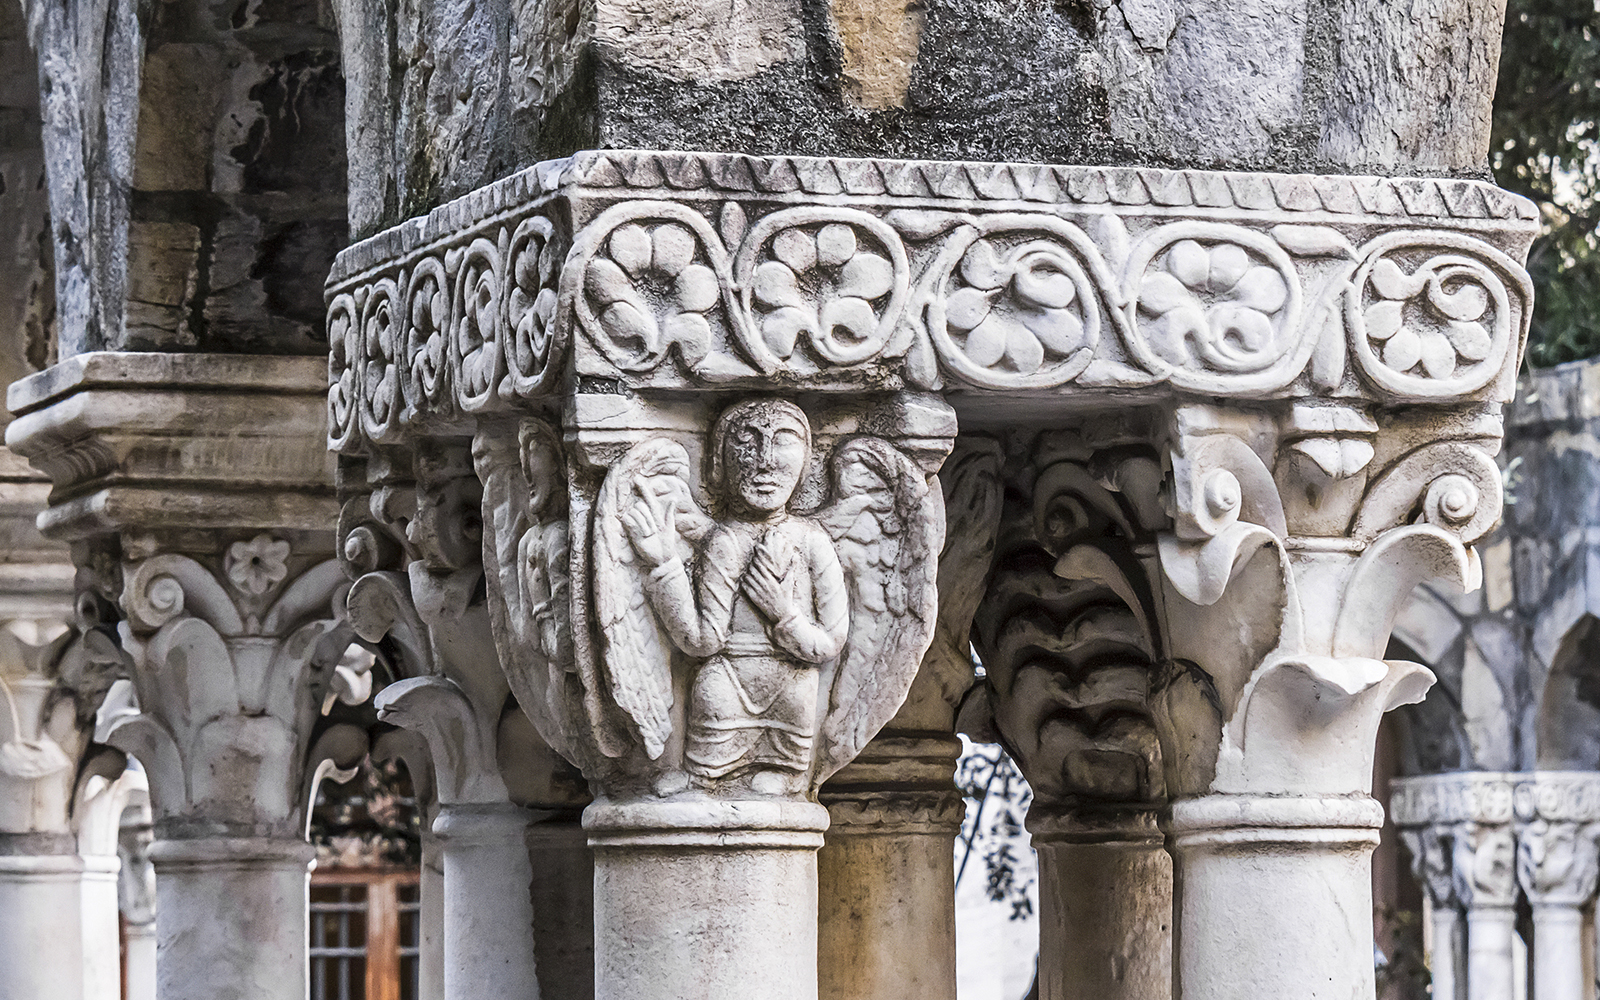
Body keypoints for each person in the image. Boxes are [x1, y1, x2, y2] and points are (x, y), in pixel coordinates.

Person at [621, 399, 848, 793]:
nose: (764, 462)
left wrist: (784, 616)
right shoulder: (722, 541)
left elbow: (830, 641)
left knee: (797, 695)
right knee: (713, 692)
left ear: (807, 462)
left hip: (791, 681)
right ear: (719, 463)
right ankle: (702, 776)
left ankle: (790, 774)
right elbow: (701, 641)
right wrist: (663, 565)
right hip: (727, 676)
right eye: (747, 441)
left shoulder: (813, 542)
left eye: (783, 442)